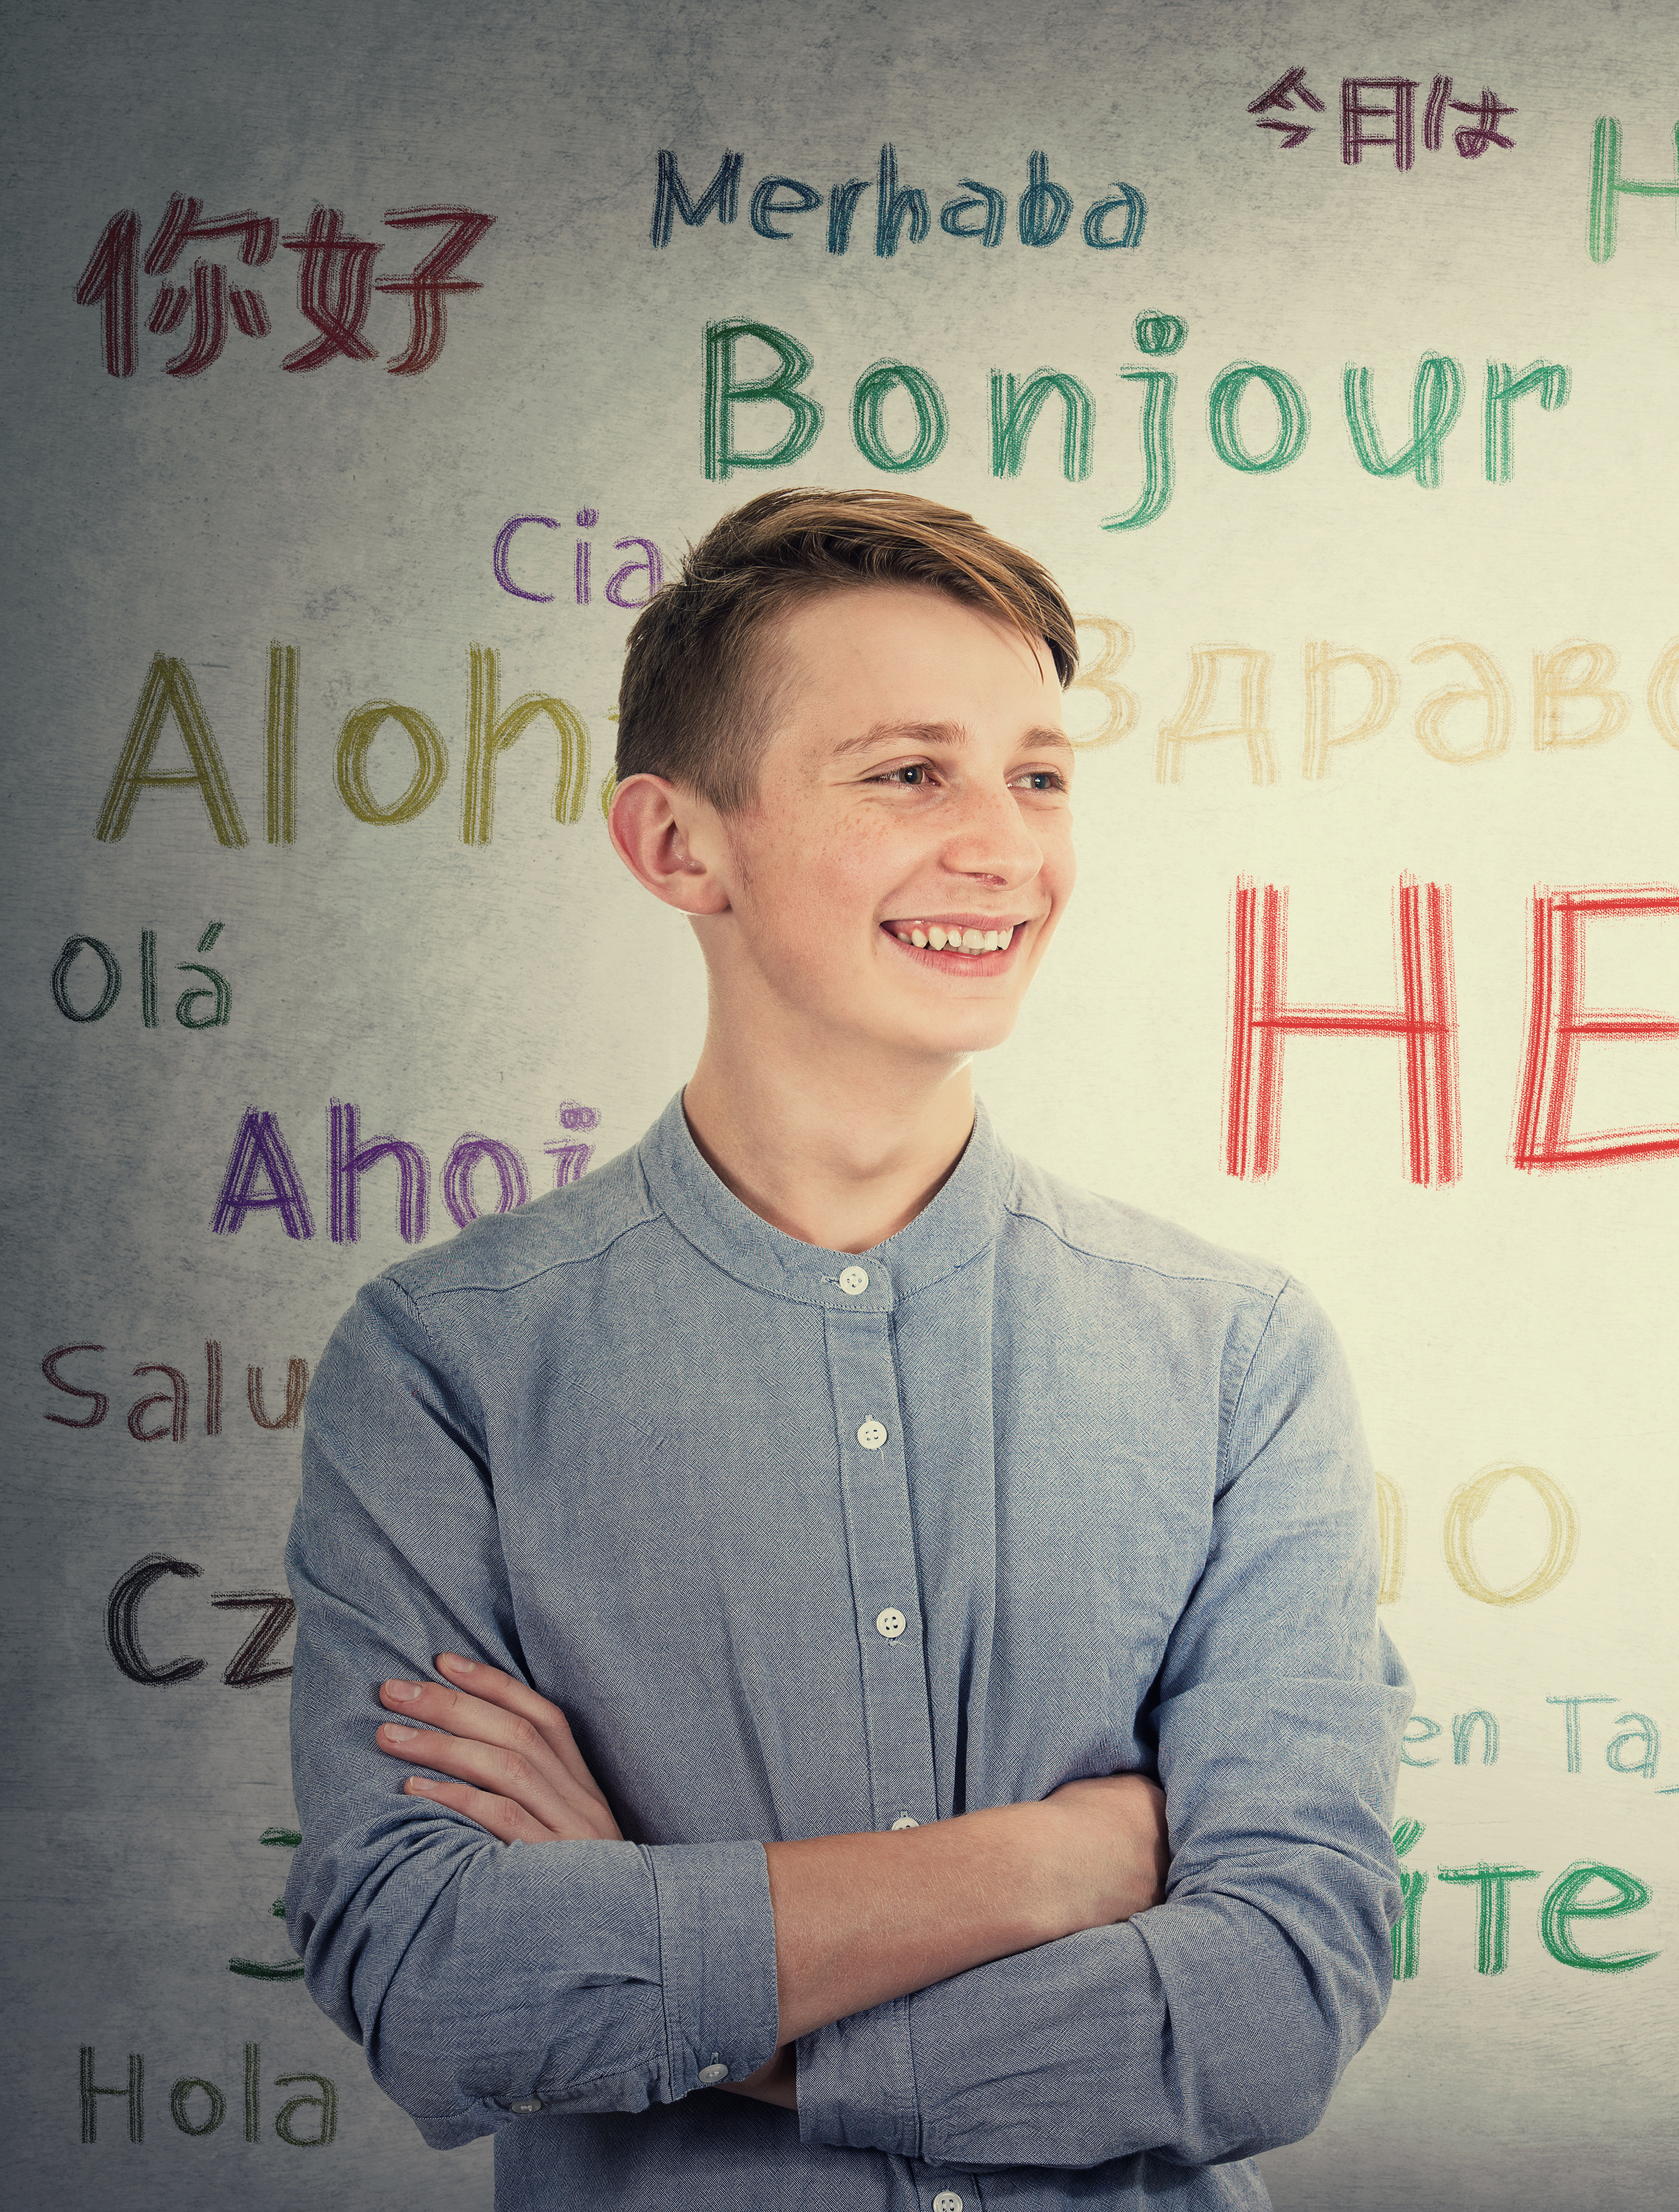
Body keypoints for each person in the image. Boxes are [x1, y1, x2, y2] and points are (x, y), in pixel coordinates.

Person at [283, 487, 1410, 2209]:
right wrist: (1055, 1864)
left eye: (1038, 774)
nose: (1003, 846)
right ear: (678, 847)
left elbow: (1279, 2010)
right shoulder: (444, 1370)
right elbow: (437, 1985)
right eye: (909, 773)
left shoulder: (1238, 1356)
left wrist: (690, 1983)